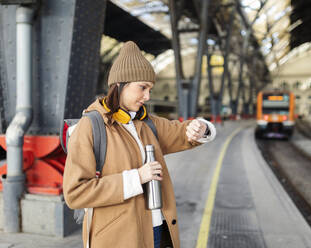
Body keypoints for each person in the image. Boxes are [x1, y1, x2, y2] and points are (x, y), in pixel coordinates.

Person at [63, 41, 216, 248]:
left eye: (150, 89)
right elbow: (76, 193)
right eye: (142, 87)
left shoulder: (146, 123)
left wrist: (200, 127)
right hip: (119, 238)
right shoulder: (90, 126)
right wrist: (137, 177)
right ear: (120, 85)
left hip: (159, 230)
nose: (148, 96)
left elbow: (182, 132)